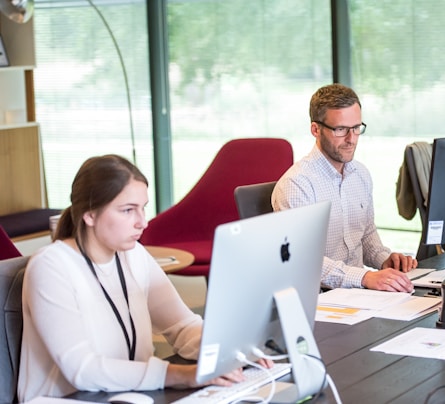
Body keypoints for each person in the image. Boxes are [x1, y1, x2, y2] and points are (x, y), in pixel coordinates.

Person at [18, 154, 270, 402]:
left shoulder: (133, 255)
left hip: (130, 394)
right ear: (90, 214)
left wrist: (233, 351)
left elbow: (182, 327)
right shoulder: (51, 267)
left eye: (143, 209)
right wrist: (183, 375)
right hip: (71, 398)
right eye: (127, 210)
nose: (142, 222)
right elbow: (83, 370)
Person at [272, 83, 417, 292]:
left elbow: (366, 235)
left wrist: (386, 260)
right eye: (340, 130)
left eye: (356, 128)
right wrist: (365, 277)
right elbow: (303, 260)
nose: (351, 139)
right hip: (320, 298)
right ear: (316, 129)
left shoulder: (360, 174)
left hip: (358, 294)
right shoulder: (297, 184)